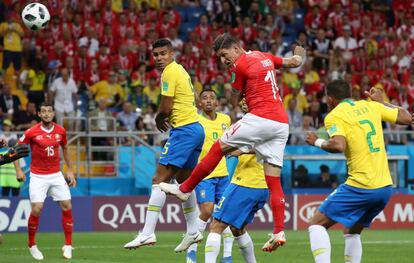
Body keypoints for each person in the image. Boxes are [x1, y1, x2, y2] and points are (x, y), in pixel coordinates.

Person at [160, 33, 305, 252]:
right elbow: (295, 62)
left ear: (236, 48)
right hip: (281, 124)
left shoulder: (240, 65)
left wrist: (242, 101)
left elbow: (234, 99)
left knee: (218, 147)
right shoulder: (264, 56)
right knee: (273, 180)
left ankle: (185, 188)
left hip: (261, 118)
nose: (223, 60)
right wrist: (299, 49)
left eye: (223, 54)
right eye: (219, 57)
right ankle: (278, 231)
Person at [305, 80, 413, 263]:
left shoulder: (334, 115)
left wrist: (316, 141)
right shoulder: (370, 106)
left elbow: (338, 145)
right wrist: (381, 102)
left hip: (361, 185)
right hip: (385, 187)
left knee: (316, 224)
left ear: (330, 99)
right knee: (351, 231)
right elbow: (407, 117)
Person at [124, 39, 205, 252]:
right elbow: (195, 98)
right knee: (183, 182)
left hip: (184, 131)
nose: (159, 59)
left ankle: (147, 232)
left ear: (172, 53)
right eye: (156, 55)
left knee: (158, 180)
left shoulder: (169, 72)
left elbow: (166, 105)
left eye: (163, 54)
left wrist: (160, 117)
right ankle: (193, 230)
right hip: (196, 129)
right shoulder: (181, 70)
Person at [16, 102, 76, 260]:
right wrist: (18, 169)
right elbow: (15, 149)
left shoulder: (60, 131)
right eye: (44, 111)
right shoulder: (31, 132)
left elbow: (66, 149)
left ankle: (68, 245)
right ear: (39, 114)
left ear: (53, 114)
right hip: (37, 176)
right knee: (36, 209)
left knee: (67, 206)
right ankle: (32, 244)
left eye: (50, 111)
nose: (47, 114)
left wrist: (70, 170)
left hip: (56, 174)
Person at [186, 89, 232, 263]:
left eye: (212, 98)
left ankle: (227, 256)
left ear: (217, 103)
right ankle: (191, 250)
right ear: (199, 103)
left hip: (223, 175)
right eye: (204, 98)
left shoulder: (225, 120)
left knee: (224, 215)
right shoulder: (196, 121)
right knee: (206, 211)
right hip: (204, 174)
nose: (208, 101)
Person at [205, 153, 268, 263]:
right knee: (237, 229)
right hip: (261, 185)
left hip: (245, 183)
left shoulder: (252, 137)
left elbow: (251, 144)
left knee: (216, 226)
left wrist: (238, 149)